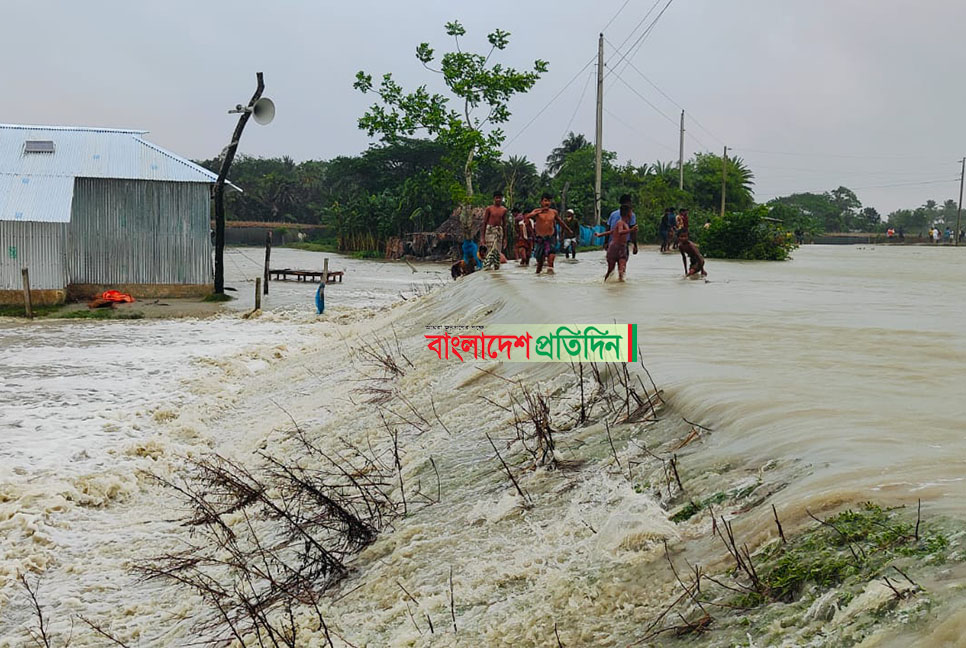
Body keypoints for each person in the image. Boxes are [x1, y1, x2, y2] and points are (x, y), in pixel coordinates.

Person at [526, 193, 572, 274]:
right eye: (545, 201)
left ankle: (550, 280)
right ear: (541, 202)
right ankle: (538, 278)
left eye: (549, 201)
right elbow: (527, 217)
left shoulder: (553, 212)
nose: (547, 203)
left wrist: (568, 230)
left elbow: (560, 222)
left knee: (550, 261)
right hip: (540, 239)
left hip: (551, 238)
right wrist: (535, 213)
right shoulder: (537, 211)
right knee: (540, 263)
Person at [594, 204, 638, 281]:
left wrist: (600, 234)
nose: (632, 214)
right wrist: (631, 230)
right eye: (631, 212)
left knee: (622, 271)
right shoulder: (620, 223)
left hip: (622, 248)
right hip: (614, 248)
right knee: (610, 270)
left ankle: (620, 289)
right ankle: (606, 284)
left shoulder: (625, 224)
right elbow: (620, 232)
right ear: (628, 214)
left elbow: (612, 231)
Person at [480, 191, 508, 270]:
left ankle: (496, 270)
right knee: (490, 251)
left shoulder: (504, 210)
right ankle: (487, 269)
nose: (498, 200)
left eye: (500, 198)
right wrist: (482, 238)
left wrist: (505, 238)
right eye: (497, 198)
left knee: (497, 253)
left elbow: (505, 224)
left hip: (499, 232)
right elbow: (484, 222)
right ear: (494, 199)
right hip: (490, 231)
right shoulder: (489, 209)